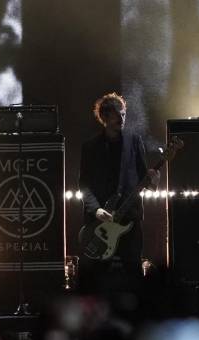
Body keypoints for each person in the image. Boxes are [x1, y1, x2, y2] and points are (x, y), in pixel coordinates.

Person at [77, 92, 158, 293]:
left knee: (133, 270)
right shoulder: (90, 148)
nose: (121, 119)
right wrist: (96, 211)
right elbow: (84, 185)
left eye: (123, 114)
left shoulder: (134, 141)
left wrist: (154, 181)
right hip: (100, 224)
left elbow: (144, 178)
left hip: (129, 219)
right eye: (116, 115)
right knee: (96, 277)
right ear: (104, 117)